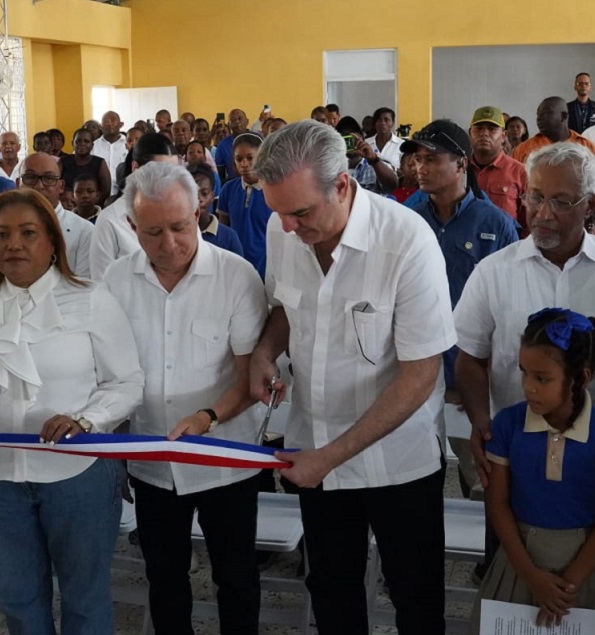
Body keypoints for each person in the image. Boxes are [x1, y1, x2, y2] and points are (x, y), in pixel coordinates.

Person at [249, 121, 456, 635]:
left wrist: (329, 457)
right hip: (313, 444)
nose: (290, 227)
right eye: (279, 213)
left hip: (396, 460)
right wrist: (265, 353)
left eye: (301, 212)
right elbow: (285, 306)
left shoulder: (406, 241)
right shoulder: (284, 228)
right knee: (333, 592)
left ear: (342, 184)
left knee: (415, 594)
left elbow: (419, 376)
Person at [0, 188, 142, 635]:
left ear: (52, 241)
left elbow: (126, 382)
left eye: (28, 233)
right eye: (2, 235)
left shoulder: (90, 298)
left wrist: (85, 421)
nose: (13, 244)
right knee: (15, 596)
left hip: (78, 475)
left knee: (84, 597)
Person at [102, 161, 265, 635]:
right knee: (165, 579)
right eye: (152, 233)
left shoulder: (236, 277)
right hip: (151, 461)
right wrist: (116, 453)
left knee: (236, 577)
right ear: (132, 226)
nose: (168, 244)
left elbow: (248, 381)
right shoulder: (115, 282)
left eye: (179, 226)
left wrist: (207, 417)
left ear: (200, 210)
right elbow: (109, 375)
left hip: (225, 458)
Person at [456, 141, 595, 487]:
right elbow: (470, 357)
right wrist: (481, 419)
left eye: (561, 201)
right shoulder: (492, 272)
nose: (544, 213)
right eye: (535, 197)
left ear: (592, 203)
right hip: (514, 450)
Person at [472, 309, 595, 635]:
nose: (528, 387)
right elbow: (497, 503)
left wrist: (566, 588)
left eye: (542, 378)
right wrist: (531, 576)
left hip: (585, 571)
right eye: (523, 372)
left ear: (582, 377)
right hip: (518, 563)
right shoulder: (507, 426)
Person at [405, 119, 518, 385]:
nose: (420, 167)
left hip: (474, 366)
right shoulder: (410, 222)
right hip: (419, 364)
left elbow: (510, 305)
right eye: (418, 159)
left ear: (461, 164)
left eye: (431, 159)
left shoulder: (495, 224)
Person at [88, 133, 178, 279]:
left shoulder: (182, 214)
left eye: (175, 172)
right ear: (136, 168)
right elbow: (101, 282)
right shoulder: (110, 220)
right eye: (161, 172)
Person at [16, 152, 92, 278]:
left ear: (61, 186)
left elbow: (84, 288)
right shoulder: (2, 228)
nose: (39, 186)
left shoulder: (84, 231)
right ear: (18, 183)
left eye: (49, 179)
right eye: (30, 177)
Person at [217, 134, 274, 276]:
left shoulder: (274, 190)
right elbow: (224, 230)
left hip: (268, 266)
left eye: (250, 158)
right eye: (239, 159)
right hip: (236, 265)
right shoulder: (228, 189)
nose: (244, 164)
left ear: (261, 158)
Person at [469, 106, 529, 229]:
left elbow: (528, 222)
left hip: (507, 245)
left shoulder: (520, 172)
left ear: (503, 136)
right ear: (470, 133)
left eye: (492, 129)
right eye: (479, 128)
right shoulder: (459, 169)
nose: (484, 133)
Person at [336, 116, 398, 194]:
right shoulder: (333, 169)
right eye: (344, 137)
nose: (349, 141)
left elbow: (393, 185)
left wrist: (374, 160)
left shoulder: (375, 166)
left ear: (361, 137)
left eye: (352, 136)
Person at [191, 167, 243, 258]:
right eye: (193, 193)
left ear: (212, 196)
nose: (198, 199)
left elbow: (239, 270)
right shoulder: (178, 235)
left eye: (204, 193)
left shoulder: (229, 237)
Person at [60, 129, 111, 207]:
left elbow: (106, 191)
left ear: (92, 145)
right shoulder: (63, 161)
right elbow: (56, 184)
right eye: (78, 141)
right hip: (66, 208)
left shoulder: (100, 163)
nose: (82, 144)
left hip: (92, 208)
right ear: (72, 144)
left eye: (86, 141)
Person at [93, 111, 128, 195]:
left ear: (121, 124)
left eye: (113, 120)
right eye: (106, 120)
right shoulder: (93, 146)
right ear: (100, 126)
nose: (109, 123)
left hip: (124, 194)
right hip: (98, 195)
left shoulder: (128, 145)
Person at [213, 109, 250, 182]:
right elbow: (221, 174)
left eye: (240, 118)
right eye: (233, 120)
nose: (237, 122)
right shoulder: (222, 145)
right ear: (229, 124)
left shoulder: (258, 140)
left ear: (247, 121)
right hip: (233, 185)